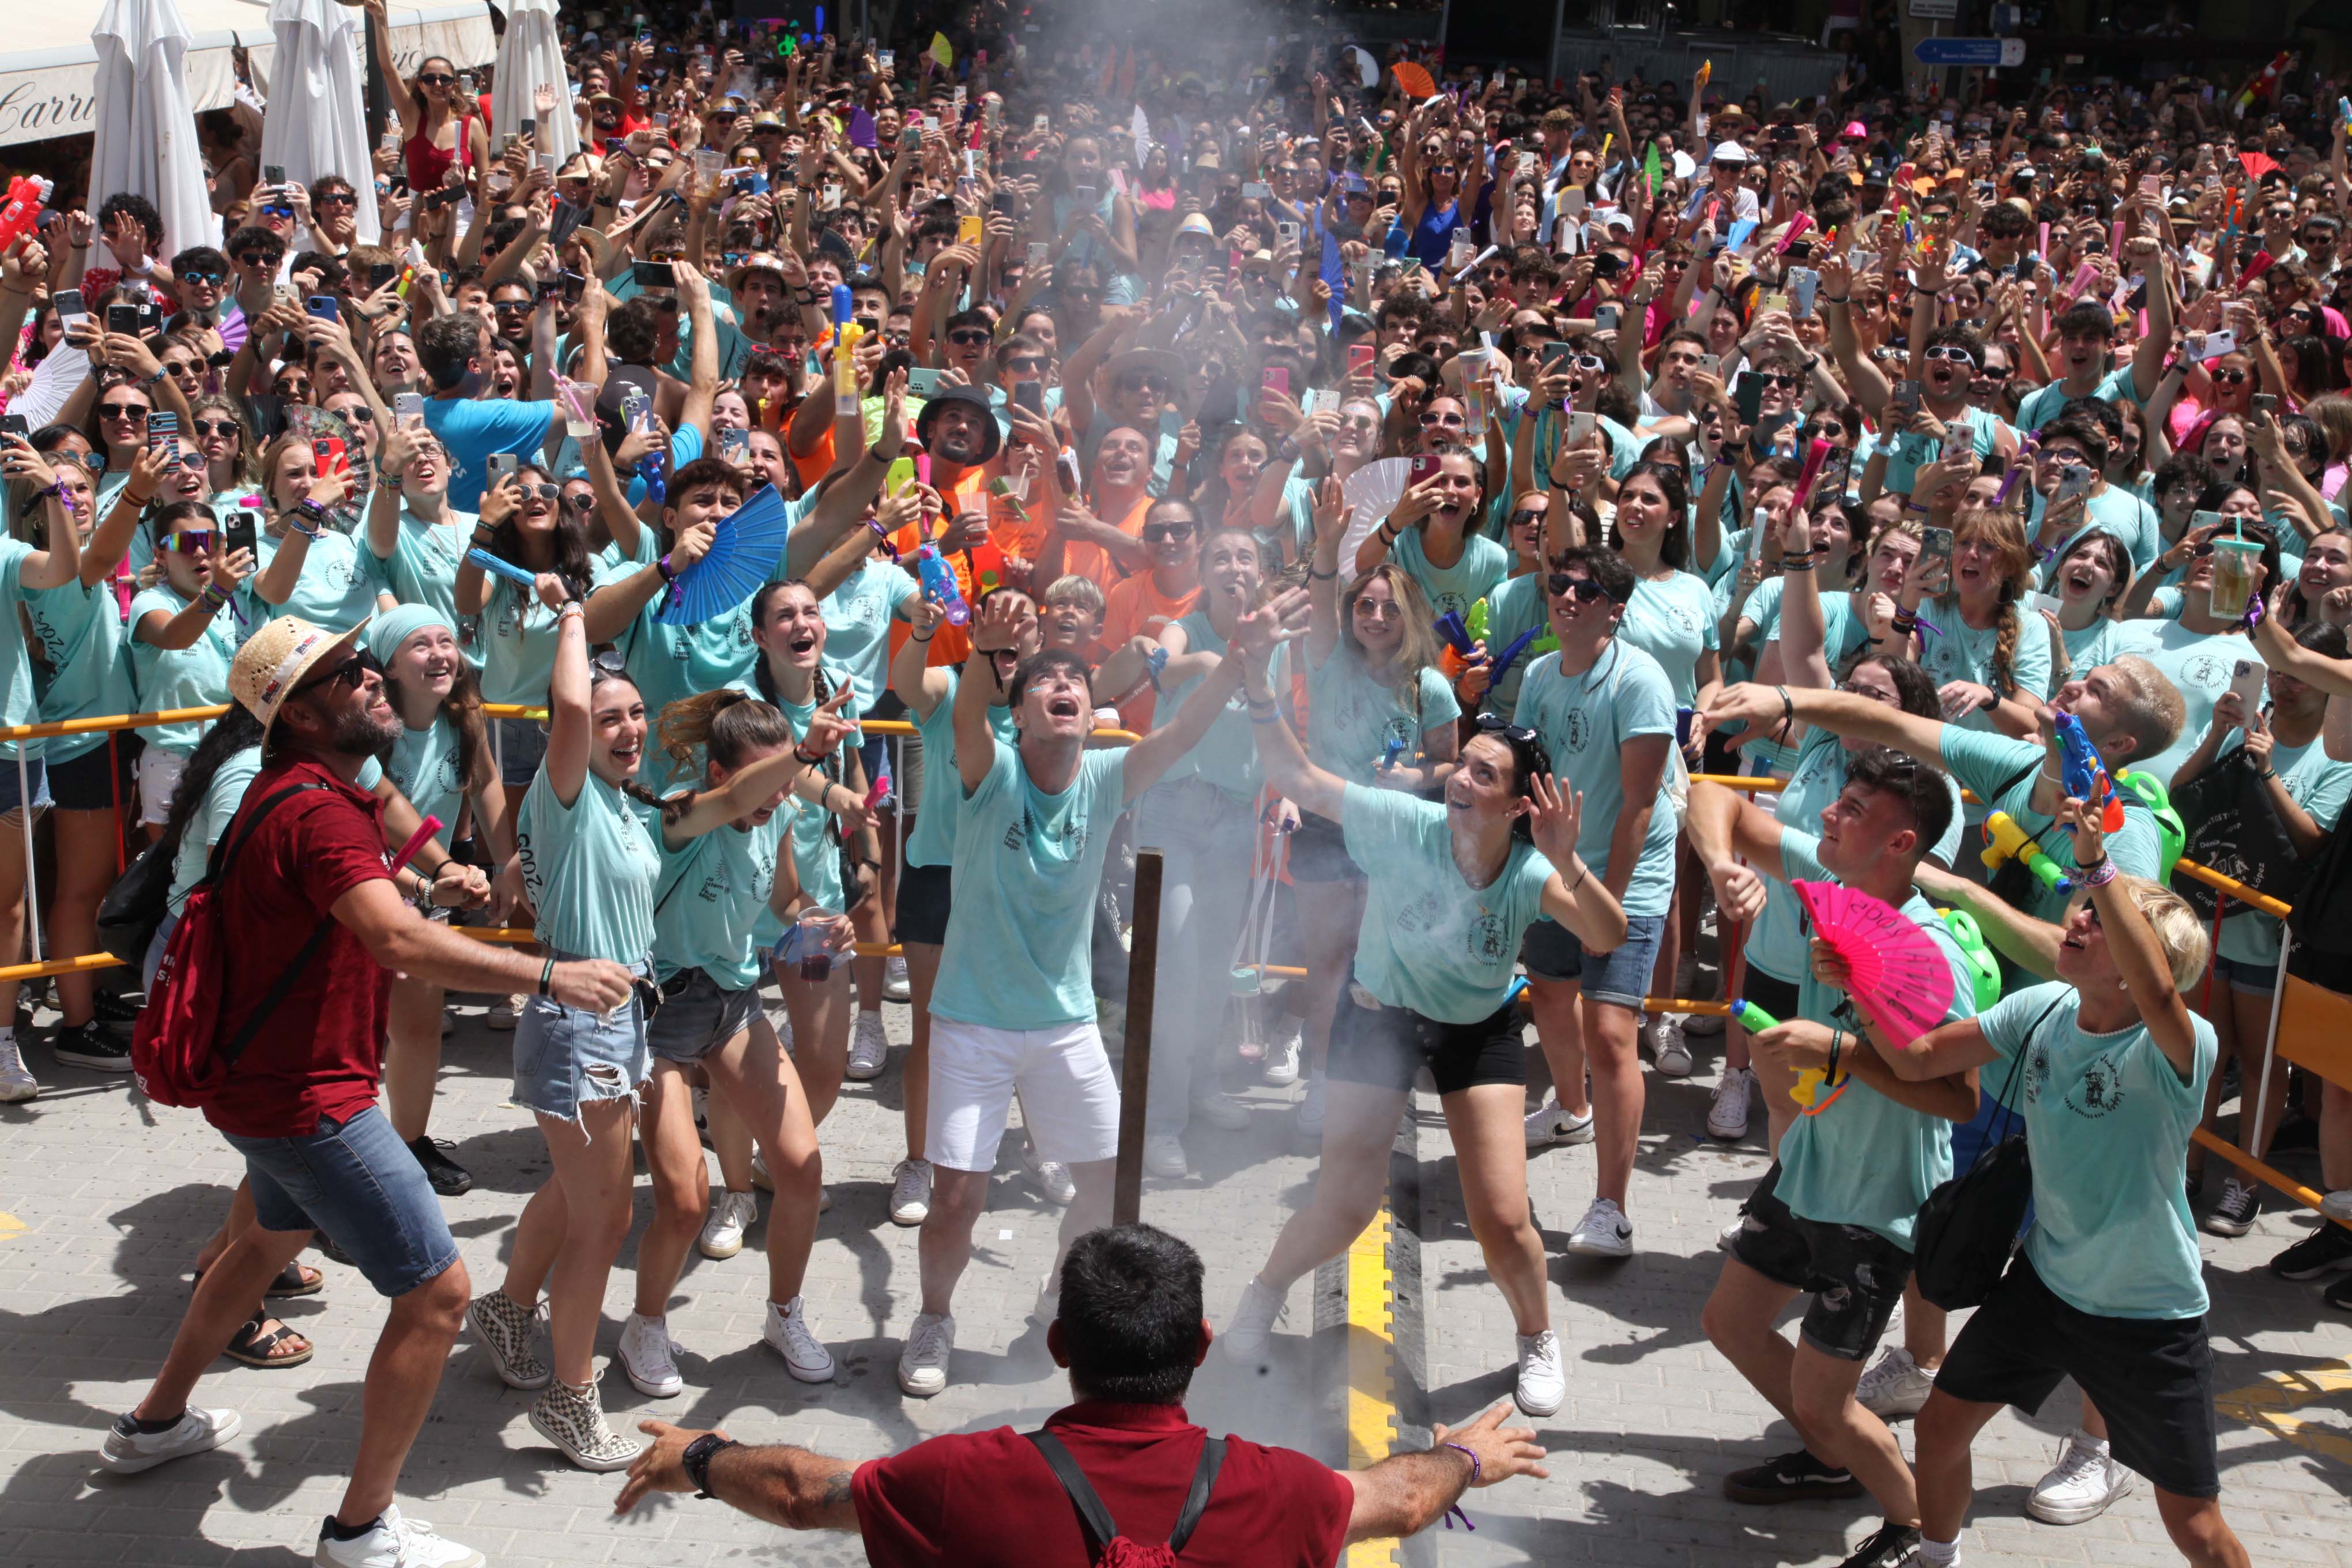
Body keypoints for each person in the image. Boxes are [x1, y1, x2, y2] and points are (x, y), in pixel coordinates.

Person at [95, 615, 631, 1567]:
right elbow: (397, 942)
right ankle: (361, 1529)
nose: (375, 678)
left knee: (263, 1241)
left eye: (367, 664)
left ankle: (152, 1425)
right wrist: (549, 977)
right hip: (308, 1103)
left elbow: (389, 868)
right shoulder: (312, 808)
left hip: (273, 1090)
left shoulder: (315, 783)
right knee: (436, 1295)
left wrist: (437, 875)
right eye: (350, 673)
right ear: (299, 713)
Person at [898, 586, 1306, 1398]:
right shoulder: (991, 772)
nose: (1064, 686)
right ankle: (935, 1318)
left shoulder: (1112, 776)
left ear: (1092, 712)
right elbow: (969, 716)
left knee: (1106, 1184)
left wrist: (1238, 659)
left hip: (1063, 1022)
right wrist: (982, 652)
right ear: (1023, 716)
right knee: (956, 1200)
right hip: (973, 1021)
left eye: (1077, 682)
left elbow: (1185, 729)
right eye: (1044, 681)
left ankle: (1057, 1293)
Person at [1221, 620, 1624, 1415]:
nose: (1462, 780)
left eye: (1485, 775)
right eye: (1464, 765)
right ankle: (1264, 1293)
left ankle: (1536, 1336)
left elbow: (1607, 935)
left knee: (1503, 1218)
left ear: (1517, 807)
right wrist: (1263, 693)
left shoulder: (1531, 869)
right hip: (1379, 1017)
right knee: (1343, 1202)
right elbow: (1296, 777)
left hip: (1478, 1033)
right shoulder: (1404, 822)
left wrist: (1571, 856)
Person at [613, 1224, 1551, 1565]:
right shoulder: (1285, 1489)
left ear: (1060, 1345)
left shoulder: (958, 1477)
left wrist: (693, 1457)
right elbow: (1405, 1496)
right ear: (1203, 1347)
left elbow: (802, 1492)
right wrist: (1467, 1454)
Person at [1861, 802, 2252, 1568]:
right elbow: (1919, 1057)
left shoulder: (2179, 1046)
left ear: (2148, 962)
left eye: (2100, 919)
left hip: (2149, 1315)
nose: (2076, 919)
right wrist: (1858, 981)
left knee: (2196, 1526)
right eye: (2080, 907)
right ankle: (1936, 1555)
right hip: (2044, 1285)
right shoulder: (2044, 1008)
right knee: (1940, 1432)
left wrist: (2104, 867)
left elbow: (2159, 992)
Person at [1685, 752, 1981, 1568]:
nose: (1827, 817)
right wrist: (1722, 867)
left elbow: (1959, 1099)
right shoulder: (1836, 880)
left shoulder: (1934, 952)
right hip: (1809, 1164)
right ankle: (1830, 1455)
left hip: (1875, 1202)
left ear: (1901, 843)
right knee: (1730, 1323)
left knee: (1824, 1401)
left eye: (1851, 809)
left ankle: (1920, 1527)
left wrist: (1842, 1046)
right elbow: (1712, 796)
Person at [464, 577, 666, 1472]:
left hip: (620, 1025)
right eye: (609, 717)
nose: (625, 729)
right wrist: (574, 612)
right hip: (578, 1030)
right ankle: (572, 1400)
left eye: (637, 716)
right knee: (604, 1221)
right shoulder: (565, 790)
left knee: (583, 1192)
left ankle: (509, 1311)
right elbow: (573, 704)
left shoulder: (624, 803)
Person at [619, 683, 861, 1396]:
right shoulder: (682, 812)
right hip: (658, 1014)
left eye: (787, 783)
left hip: (729, 1001)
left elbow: (784, 899)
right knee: (684, 1203)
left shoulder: (772, 815)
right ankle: (645, 1325)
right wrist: (806, 752)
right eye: (770, 779)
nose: (781, 795)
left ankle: (783, 1314)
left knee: (801, 1166)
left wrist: (821, 916)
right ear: (721, 773)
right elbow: (734, 803)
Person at [1512, 546, 1678, 1259]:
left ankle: (1612, 1208)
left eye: (1587, 589)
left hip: (1625, 874)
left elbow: (1639, 805)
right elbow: (1527, 774)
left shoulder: (1640, 679)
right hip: (1558, 864)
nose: (1568, 596)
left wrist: (1600, 898)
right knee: (1550, 996)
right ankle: (1571, 1110)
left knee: (1611, 1034)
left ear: (1615, 607)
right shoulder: (1541, 674)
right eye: (1560, 583)